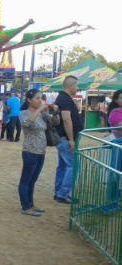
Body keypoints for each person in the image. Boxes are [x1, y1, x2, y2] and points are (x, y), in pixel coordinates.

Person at [19, 88, 60, 216]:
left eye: (40, 98)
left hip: (41, 151)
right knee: (26, 180)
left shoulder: (42, 114)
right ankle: (25, 207)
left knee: (33, 180)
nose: (40, 101)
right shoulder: (24, 113)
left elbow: (56, 123)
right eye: (36, 98)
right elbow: (26, 124)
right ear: (29, 100)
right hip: (30, 151)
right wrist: (39, 110)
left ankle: (31, 204)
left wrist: (55, 112)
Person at [54, 75, 83, 204]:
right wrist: (71, 139)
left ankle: (59, 192)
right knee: (73, 165)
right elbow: (66, 119)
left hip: (62, 138)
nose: (77, 88)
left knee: (63, 166)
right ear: (70, 86)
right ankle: (63, 193)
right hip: (65, 138)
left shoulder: (63, 98)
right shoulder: (65, 99)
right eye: (76, 85)